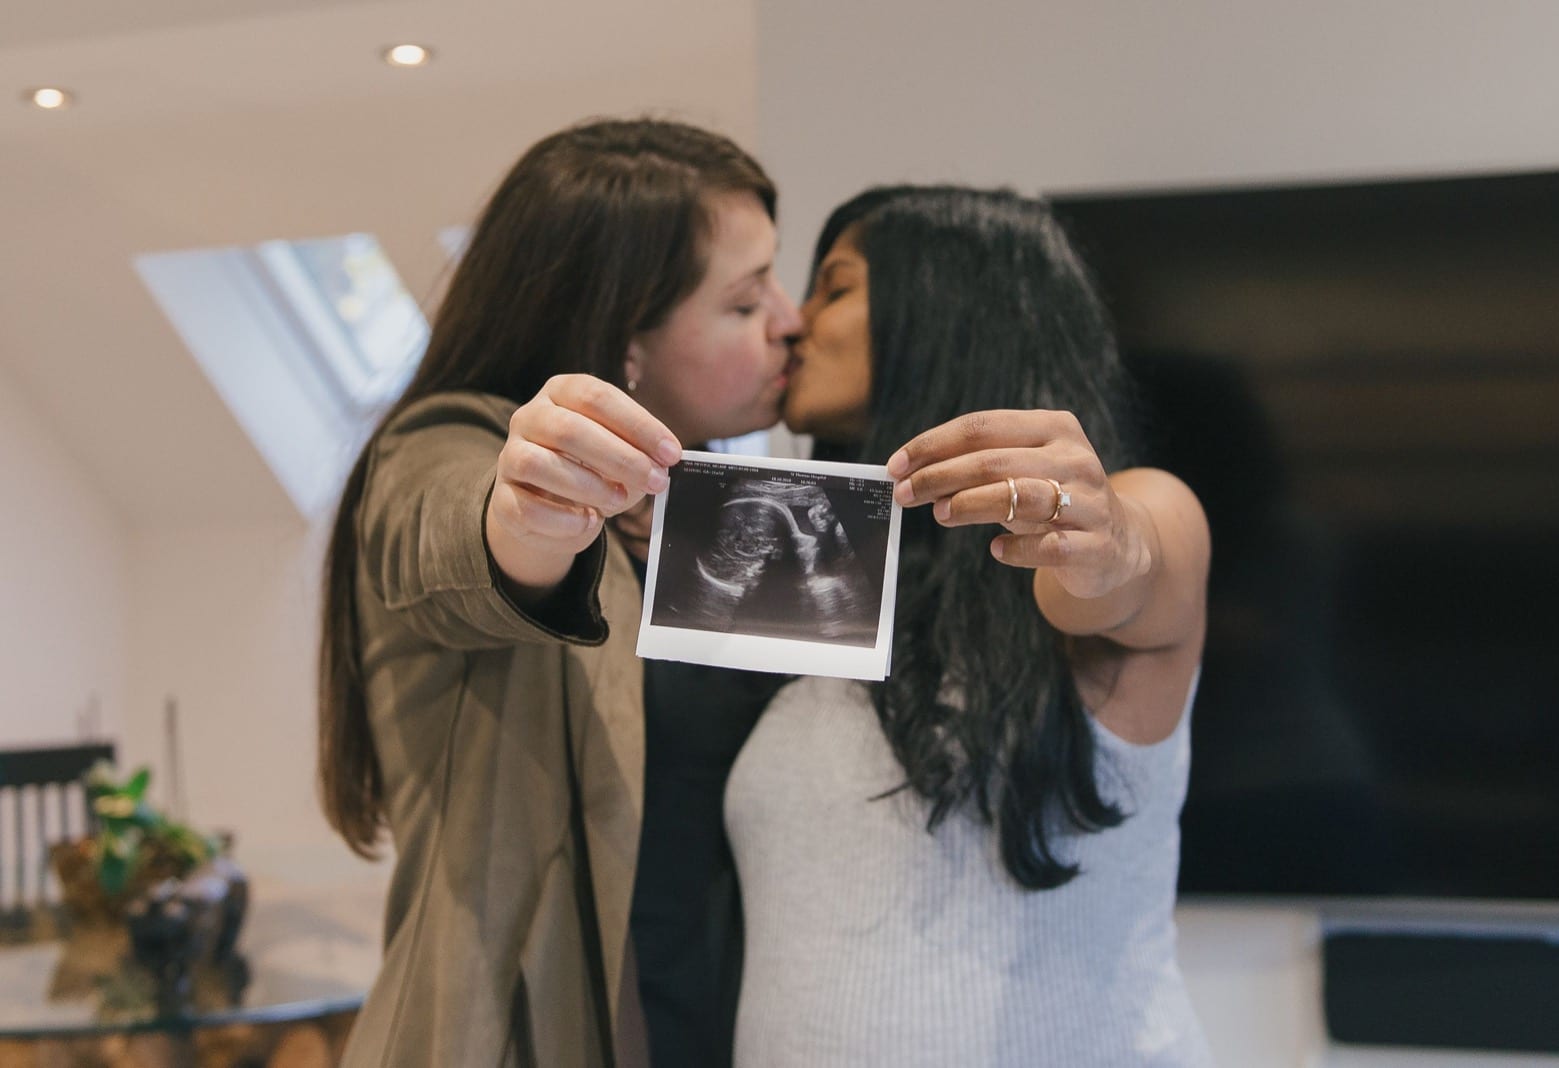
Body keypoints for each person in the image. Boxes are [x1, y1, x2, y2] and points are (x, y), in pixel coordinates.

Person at [316, 117, 801, 1068]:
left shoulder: (718, 507)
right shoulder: (440, 446)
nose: (790, 319)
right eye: (746, 303)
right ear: (626, 339)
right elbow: (445, 532)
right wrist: (523, 518)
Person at [725, 186, 1215, 1066]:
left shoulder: (1141, 506)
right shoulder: (827, 580)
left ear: (946, 304)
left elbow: (1133, 568)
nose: (794, 322)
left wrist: (1107, 544)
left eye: (835, 287)